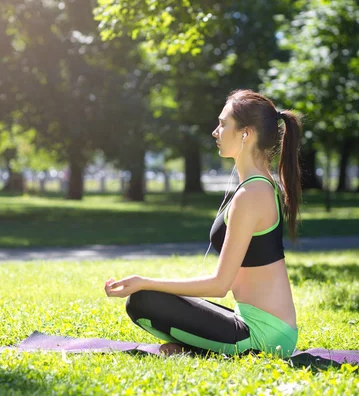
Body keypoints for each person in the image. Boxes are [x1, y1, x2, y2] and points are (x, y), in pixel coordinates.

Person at [104, 89, 302, 358]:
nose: (215, 131)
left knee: (142, 300)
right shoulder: (260, 186)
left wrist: (144, 281)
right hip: (265, 326)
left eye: (223, 124)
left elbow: (219, 285)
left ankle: (198, 350)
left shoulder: (252, 194)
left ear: (246, 133)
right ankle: (197, 348)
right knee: (148, 298)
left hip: (263, 337)